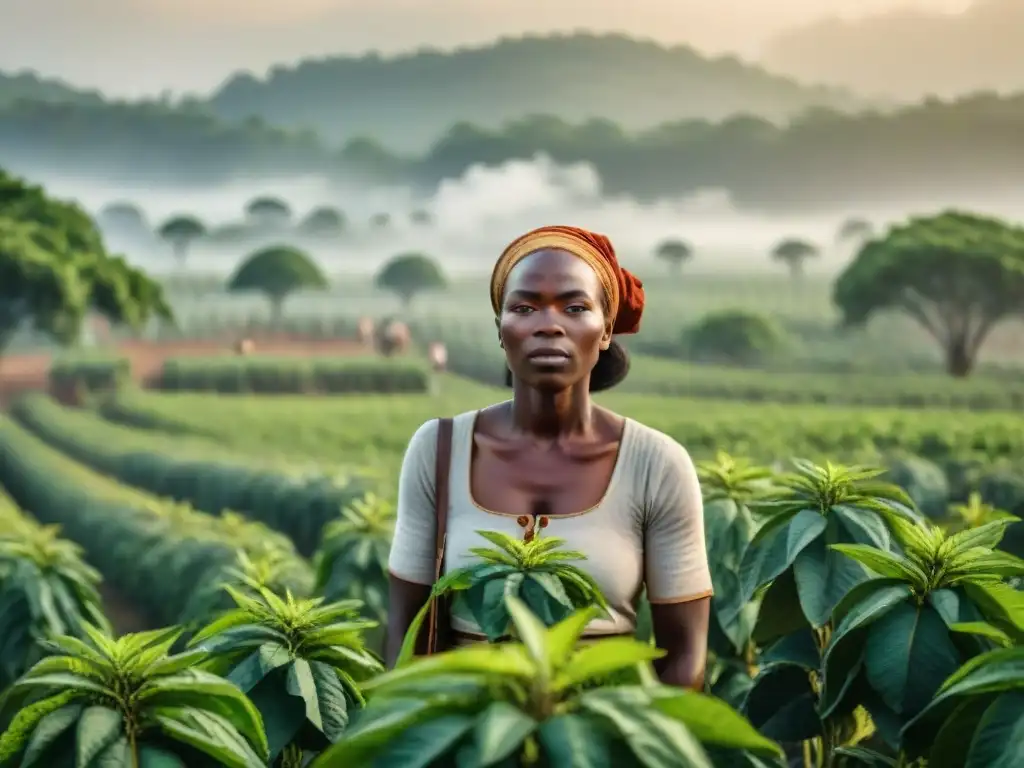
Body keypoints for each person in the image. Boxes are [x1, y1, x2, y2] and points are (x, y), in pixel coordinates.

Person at [386, 225, 712, 689]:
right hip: (464, 731)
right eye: (524, 307)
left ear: (604, 332)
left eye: (576, 307)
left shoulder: (658, 465)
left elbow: (685, 659)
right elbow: (403, 634)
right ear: (500, 330)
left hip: (603, 733)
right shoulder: (436, 449)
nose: (548, 324)